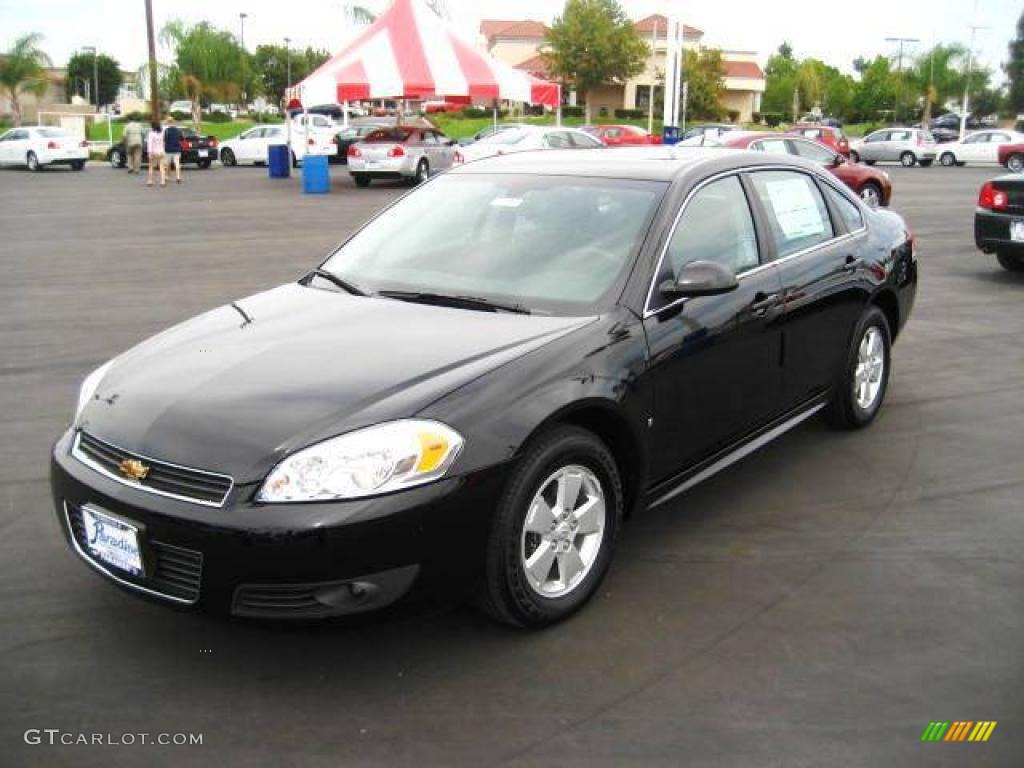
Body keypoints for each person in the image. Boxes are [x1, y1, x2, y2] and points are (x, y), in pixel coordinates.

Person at [163, 117, 183, 184]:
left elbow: (165, 140)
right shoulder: (179, 130)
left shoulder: (167, 131)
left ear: (168, 123)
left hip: (168, 149)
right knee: (177, 163)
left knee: (167, 164)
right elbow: (182, 139)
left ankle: (167, 176)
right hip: (177, 149)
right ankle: (178, 177)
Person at [146, 121, 165, 187]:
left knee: (151, 167)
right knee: (161, 167)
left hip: (154, 152)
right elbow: (163, 142)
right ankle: (162, 181)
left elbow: (150, 144)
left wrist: (149, 153)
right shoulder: (162, 133)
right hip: (161, 151)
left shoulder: (151, 133)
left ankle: (150, 181)